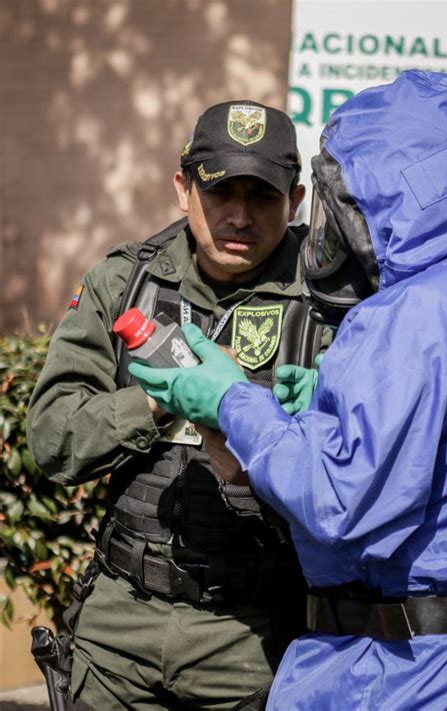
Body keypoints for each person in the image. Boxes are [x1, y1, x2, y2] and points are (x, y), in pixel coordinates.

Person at [128, 70, 447, 710]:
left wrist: (232, 400)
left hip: (399, 669)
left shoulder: (416, 312)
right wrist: (319, 410)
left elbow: (340, 503)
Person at [27, 99, 332, 709]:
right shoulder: (124, 283)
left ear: (295, 202)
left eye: (262, 196)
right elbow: (51, 440)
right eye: (221, 192)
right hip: (118, 628)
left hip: (254, 638)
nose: (240, 217)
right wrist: (155, 403)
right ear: (182, 188)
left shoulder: (330, 303)